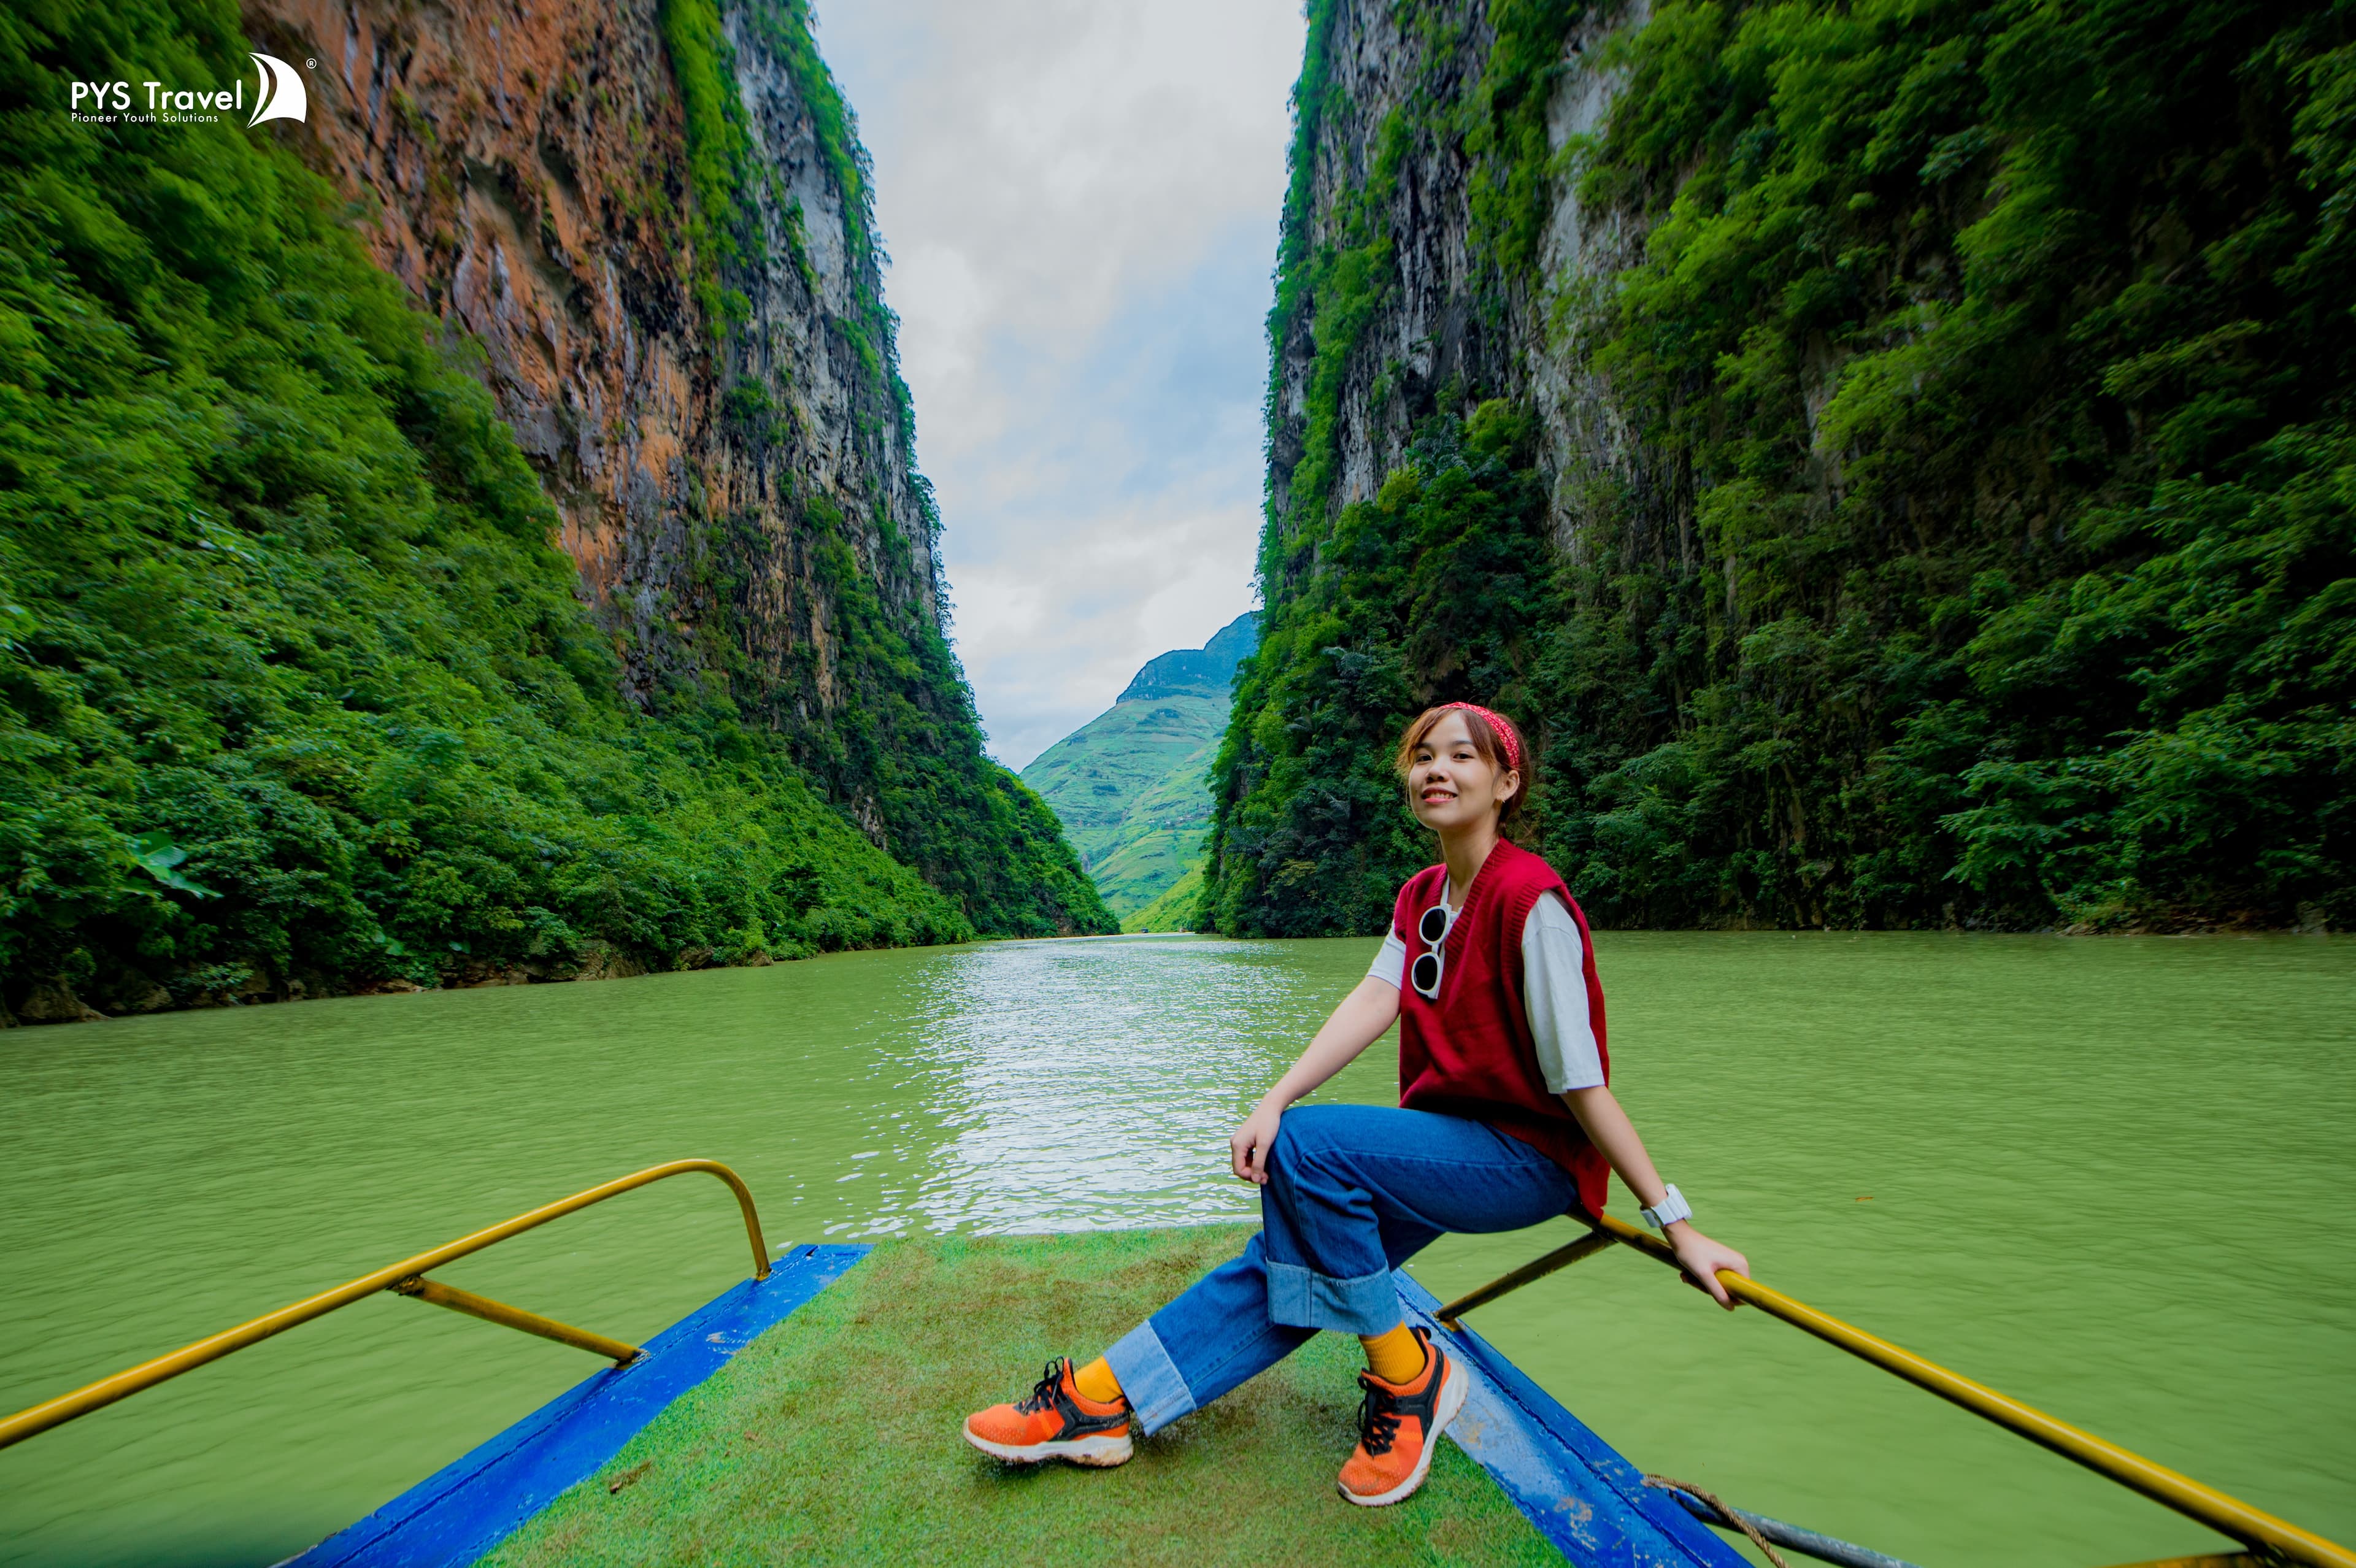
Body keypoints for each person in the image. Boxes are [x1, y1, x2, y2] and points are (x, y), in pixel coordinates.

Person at [962, 702, 1750, 1506]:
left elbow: (1582, 1083)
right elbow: (1377, 998)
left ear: (1506, 782)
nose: (1435, 770)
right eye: (1422, 757)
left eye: (1461, 757)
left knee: (1305, 1150)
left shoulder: (1531, 901)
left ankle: (1412, 1377)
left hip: (1526, 1160)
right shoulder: (1422, 897)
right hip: (1447, 1147)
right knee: (1285, 1264)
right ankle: (1102, 1399)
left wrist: (1675, 1225)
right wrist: (1273, 1097)